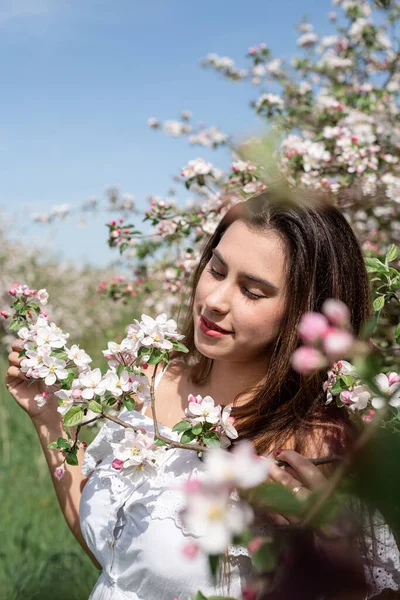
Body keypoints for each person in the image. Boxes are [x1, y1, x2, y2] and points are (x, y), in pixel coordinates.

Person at [6, 191, 400, 599]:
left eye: (252, 291)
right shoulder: (150, 379)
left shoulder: (314, 446)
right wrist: (50, 419)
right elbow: (118, 565)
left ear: (306, 314)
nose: (213, 301)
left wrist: (323, 540)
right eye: (217, 269)